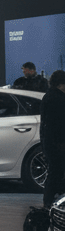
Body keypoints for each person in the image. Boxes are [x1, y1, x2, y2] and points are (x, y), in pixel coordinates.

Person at [40, 70, 65, 210]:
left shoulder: (48, 97)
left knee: (54, 173)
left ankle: (49, 203)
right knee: (56, 173)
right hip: (59, 143)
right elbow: (60, 124)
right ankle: (51, 204)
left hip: (49, 142)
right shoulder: (59, 99)